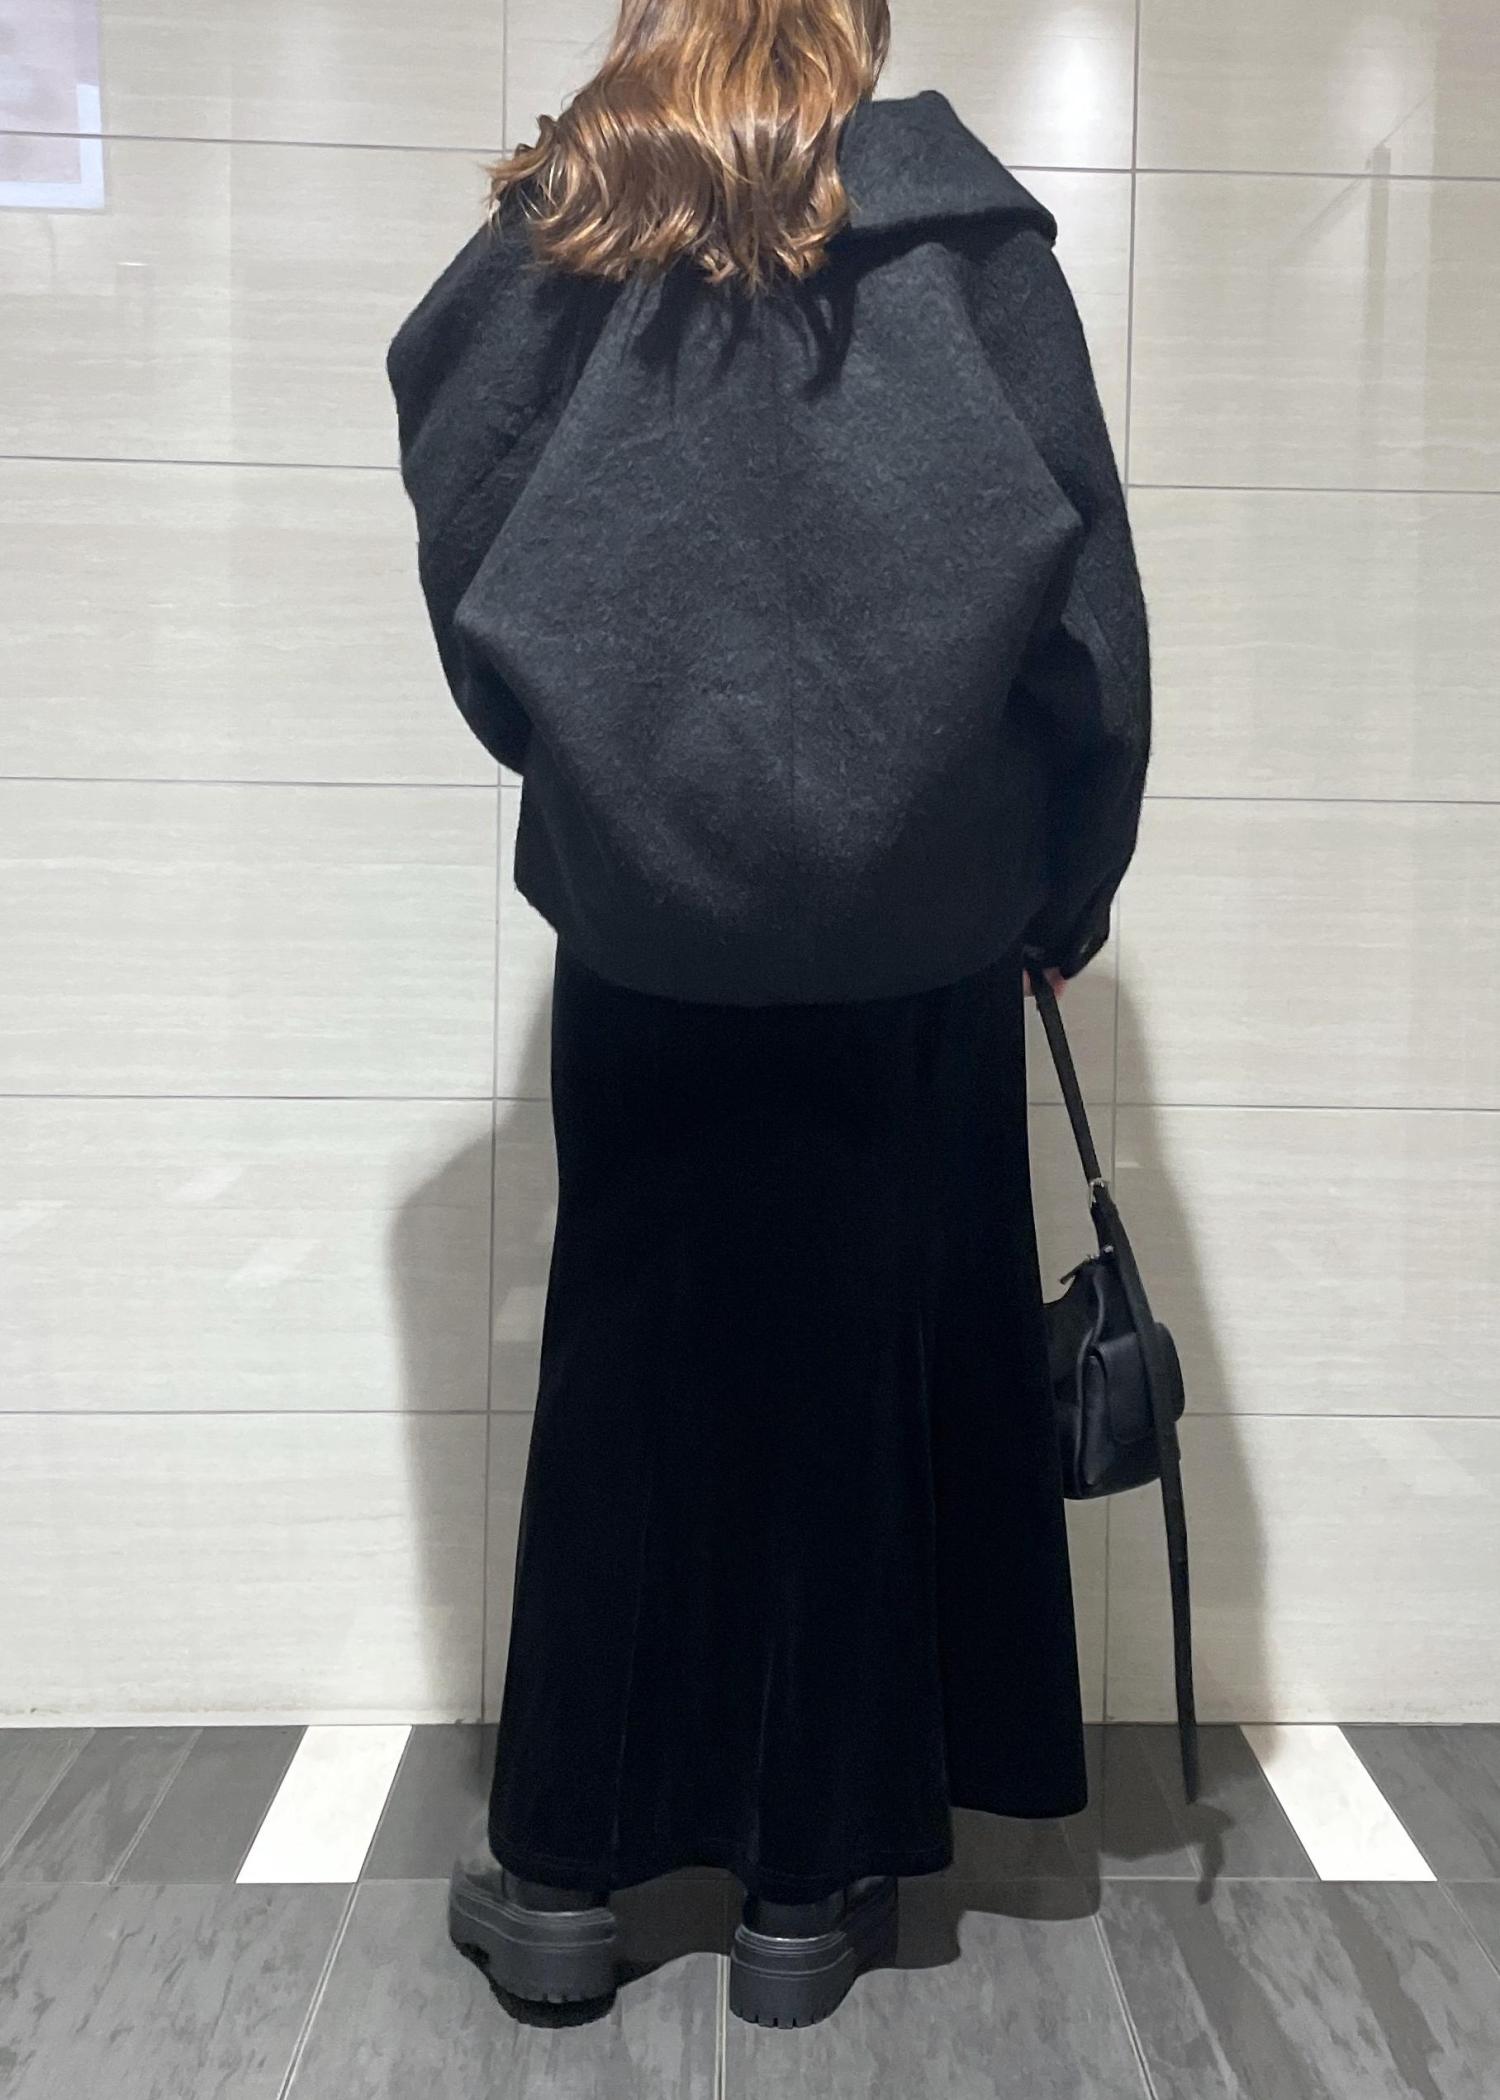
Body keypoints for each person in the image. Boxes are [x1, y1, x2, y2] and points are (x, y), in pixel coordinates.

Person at [387, 0, 1149, 2032]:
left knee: (627, 1380)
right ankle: (811, 1895)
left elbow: (467, 527)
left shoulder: (568, 229)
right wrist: (1062, 888)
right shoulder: (968, 248)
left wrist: (585, 761)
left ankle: (565, 1879)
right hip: (919, 943)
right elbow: (1088, 630)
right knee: (860, 1390)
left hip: (649, 936)